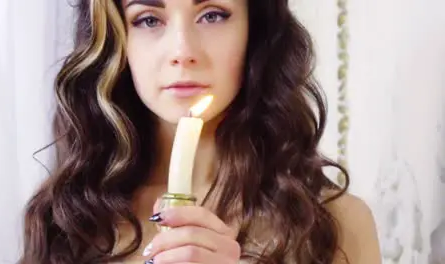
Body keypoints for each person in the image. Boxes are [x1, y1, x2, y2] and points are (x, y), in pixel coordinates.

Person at [19, 0, 381, 263]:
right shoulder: (68, 219)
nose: (183, 51)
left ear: (253, 31)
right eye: (148, 19)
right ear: (117, 40)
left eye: (212, 15)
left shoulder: (334, 224)